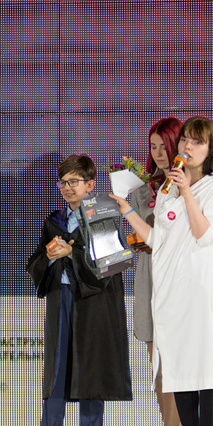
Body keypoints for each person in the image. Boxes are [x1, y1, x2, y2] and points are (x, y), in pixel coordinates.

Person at [111, 116, 213, 426]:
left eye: (197, 142)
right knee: (179, 382)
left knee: (206, 381)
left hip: (200, 301)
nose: (188, 147)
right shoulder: (167, 189)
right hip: (171, 301)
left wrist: (187, 192)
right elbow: (158, 240)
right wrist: (127, 211)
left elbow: (204, 235)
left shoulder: (209, 188)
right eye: (185, 140)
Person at [27, 154, 132, 426]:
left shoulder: (104, 213)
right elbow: (35, 263)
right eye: (63, 182)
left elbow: (111, 264)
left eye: (74, 181)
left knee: (90, 372)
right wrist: (50, 256)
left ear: (90, 184)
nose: (67, 187)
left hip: (94, 303)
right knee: (57, 369)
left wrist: (72, 252)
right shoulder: (55, 221)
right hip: (61, 298)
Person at [130, 117, 182, 426]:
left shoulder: (192, 187)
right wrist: (138, 242)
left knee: (180, 369)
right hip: (150, 279)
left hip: (180, 282)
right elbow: (139, 236)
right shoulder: (141, 190)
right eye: (153, 147)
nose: (159, 153)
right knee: (159, 370)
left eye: (165, 146)